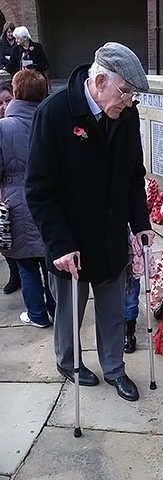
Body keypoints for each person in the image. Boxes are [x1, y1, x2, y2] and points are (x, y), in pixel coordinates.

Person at [25, 42, 154, 402]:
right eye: (125, 92)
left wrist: (140, 222)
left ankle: (114, 368)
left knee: (113, 310)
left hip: (111, 236)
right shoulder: (54, 113)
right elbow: (38, 190)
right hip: (72, 241)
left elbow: (133, 175)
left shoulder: (126, 115)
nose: (128, 102)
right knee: (70, 309)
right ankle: (68, 361)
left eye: (132, 96)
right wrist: (60, 244)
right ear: (99, 81)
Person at [0, 69, 55, 326]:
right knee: (52, 265)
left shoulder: (3, 128)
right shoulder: (52, 122)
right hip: (49, 202)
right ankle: (58, 312)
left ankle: (36, 314)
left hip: (15, 204)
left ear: (16, 92)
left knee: (26, 265)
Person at [0, 80, 21, 294]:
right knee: (6, 240)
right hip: (4, 194)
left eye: (8, 100)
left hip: (20, 194)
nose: (4, 106)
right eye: (0, 103)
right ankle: (14, 274)